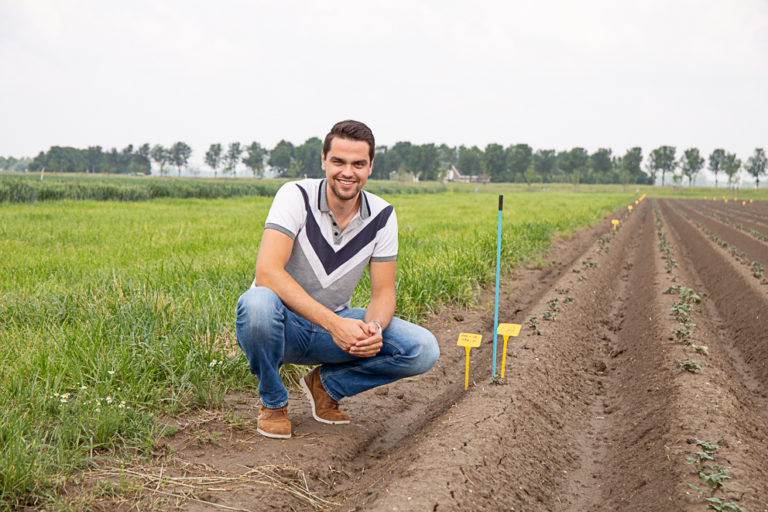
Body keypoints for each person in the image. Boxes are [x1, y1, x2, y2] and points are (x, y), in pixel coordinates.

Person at [235, 120, 440, 439]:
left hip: (333, 330)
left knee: (422, 348)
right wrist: (336, 325)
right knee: (257, 304)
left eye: (358, 163)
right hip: (283, 325)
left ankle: (326, 386)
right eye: (339, 162)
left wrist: (374, 329)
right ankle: (273, 401)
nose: (348, 172)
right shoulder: (295, 196)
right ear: (323, 161)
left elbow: (383, 294)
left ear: (370, 166)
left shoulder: (383, 215)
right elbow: (268, 273)